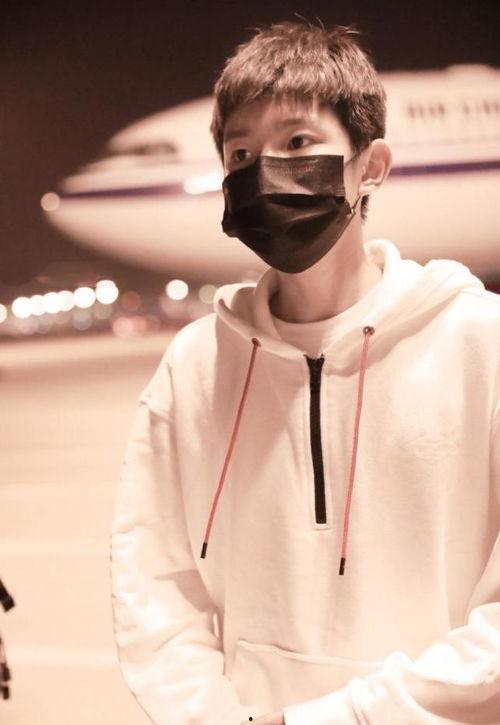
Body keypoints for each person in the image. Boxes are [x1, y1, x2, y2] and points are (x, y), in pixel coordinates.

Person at [110, 19, 500, 725]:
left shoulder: (481, 344)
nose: (265, 169)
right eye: (240, 152)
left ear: (370, 165)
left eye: (297, 142)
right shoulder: (194, 366)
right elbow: (156, 586)